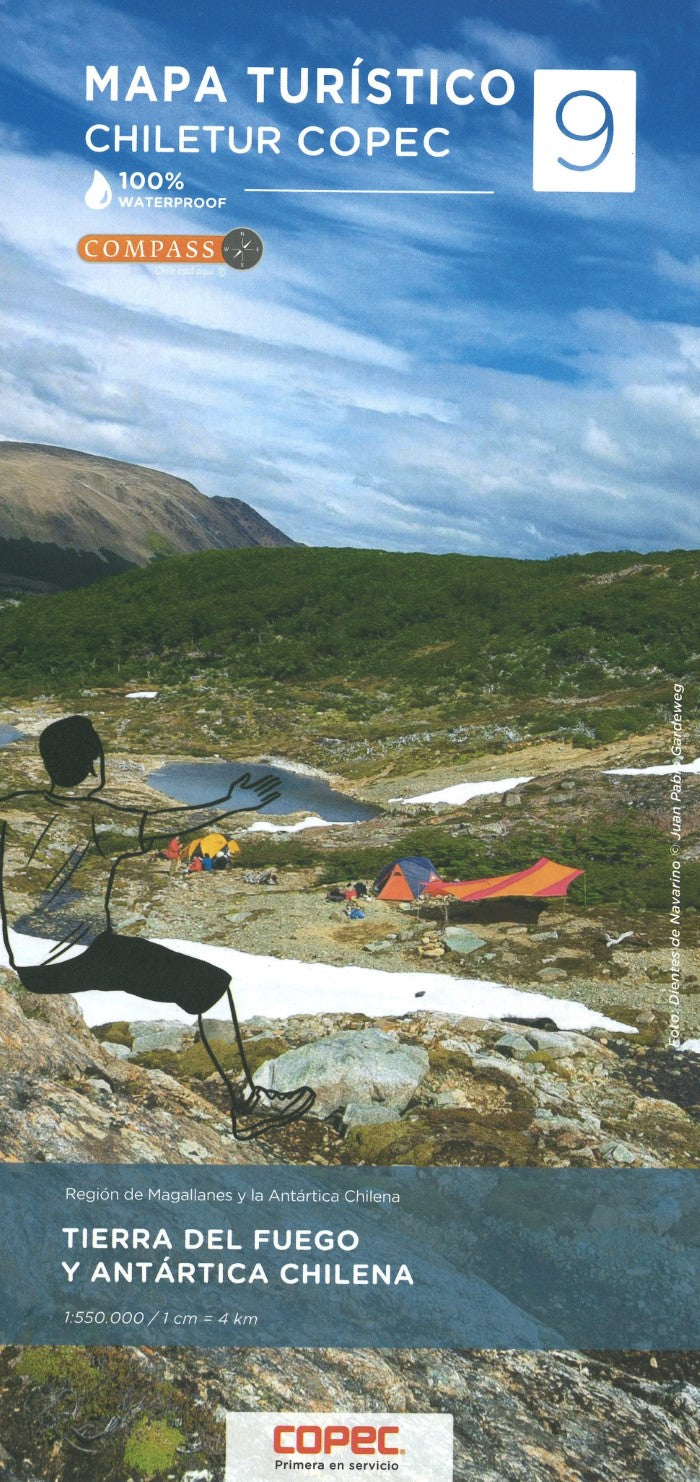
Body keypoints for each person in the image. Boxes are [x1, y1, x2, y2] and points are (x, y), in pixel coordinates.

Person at [0, 715, 315, 1139]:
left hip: (26, 961)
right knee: (214, 982)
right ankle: (250, 1105)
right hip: (83, 957)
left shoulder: (14, 804)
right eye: (94, 761)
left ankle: (252, 1100)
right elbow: (170, 821)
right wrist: (230, 801)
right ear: (89, 764)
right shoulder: (95, 814)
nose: (97, 770)